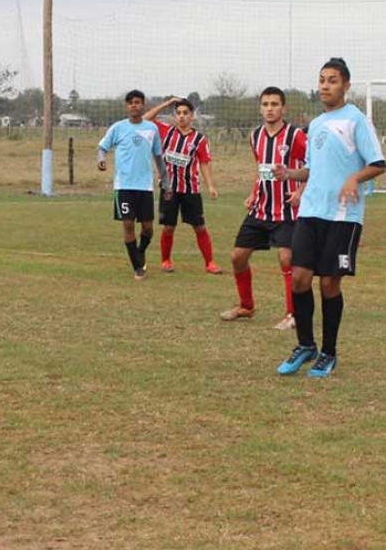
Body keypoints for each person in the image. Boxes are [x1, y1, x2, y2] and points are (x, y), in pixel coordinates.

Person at [274, 58, 385, 377]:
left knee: (329, 283)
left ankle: (329, 352)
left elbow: (378, 163)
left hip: (343, 216)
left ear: (346, 86)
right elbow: (312, 168)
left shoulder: (357, 121)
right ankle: (305, 345)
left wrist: (354, 179)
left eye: (332, 80)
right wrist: (291, 175)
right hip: (311, 211)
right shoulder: (318, 124)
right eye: (322, 80)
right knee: (298, 278)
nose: (325, 85)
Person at [220, 87, 307, 330]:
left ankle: (293, 314)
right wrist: (252, 193)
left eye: (274, 104)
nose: (270, 108)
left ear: (283, 108)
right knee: (237, 257)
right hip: (260, 209)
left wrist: (300, 192)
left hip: (287, 210)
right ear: (260, 108)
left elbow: (314, 164)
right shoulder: (255, 135)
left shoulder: (295, 136)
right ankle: (246, 306)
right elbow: (262, 169)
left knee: (286, 258)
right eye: (266, 104)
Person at [143, 96, 222, 274]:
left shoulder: (199, 139)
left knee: (199, 226)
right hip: (169, 189)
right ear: (174, 115)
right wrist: (166, 103)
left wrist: (210, 185)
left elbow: (204, 163)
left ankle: (209, 262)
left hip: (191, 190)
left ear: (192, 115)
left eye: (185, 113)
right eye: (178, 113)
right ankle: (165, 261)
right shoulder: (165, 131)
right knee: (169, 227)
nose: (181, 116)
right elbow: (146, 118)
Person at [97, 90, 167, 280]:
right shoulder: (118, 128)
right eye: (130, 103)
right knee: (128, 224)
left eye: (137, 102)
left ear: (143, 105)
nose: (134, 105)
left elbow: (158, 157)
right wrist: (101, 159)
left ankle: (140, 250)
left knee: (147, 228)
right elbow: (102, 147)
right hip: (124, 186)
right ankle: (138, 266)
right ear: (126, 107)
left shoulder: (151, 129)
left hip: (145, 187)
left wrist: (165, 182)